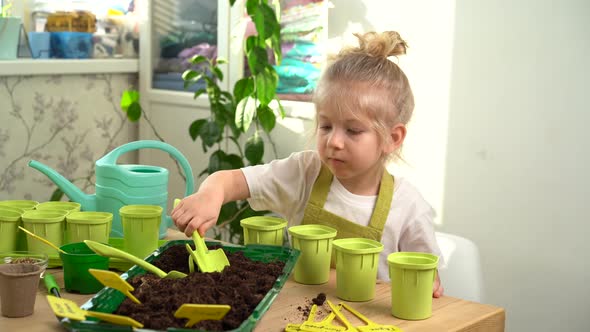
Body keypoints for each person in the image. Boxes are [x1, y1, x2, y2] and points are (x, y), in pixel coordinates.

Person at [172, 31, 444, 297]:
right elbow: (229, 181)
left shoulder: (408, 206)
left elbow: (426, 278)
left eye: (353, 131)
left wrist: (430, 282)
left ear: (392, 138)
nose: (334, 141)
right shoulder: (305, 172)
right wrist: (210, 195)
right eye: (326, 126)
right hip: (296, 314)